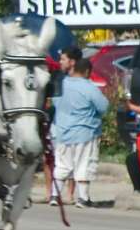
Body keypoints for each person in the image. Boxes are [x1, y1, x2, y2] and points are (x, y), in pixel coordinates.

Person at [49, 58, 108, 207]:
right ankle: (83, 198)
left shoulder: (61, 85)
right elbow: (103, 107)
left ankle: (55, 196)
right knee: (84, 164)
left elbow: (55, 103)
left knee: (61, 165)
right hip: (85, 132)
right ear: (88, 71)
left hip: (62, 132)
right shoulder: (89, 87)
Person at [44, 45, 84, 203]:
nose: (60, 62)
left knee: (73, 160)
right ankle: (50, 192)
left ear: (72, 62)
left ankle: (70, 194)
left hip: (73, 125)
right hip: (56, 122)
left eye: (63, 59)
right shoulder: (57, 77)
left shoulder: (81, 79)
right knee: (50, 158)